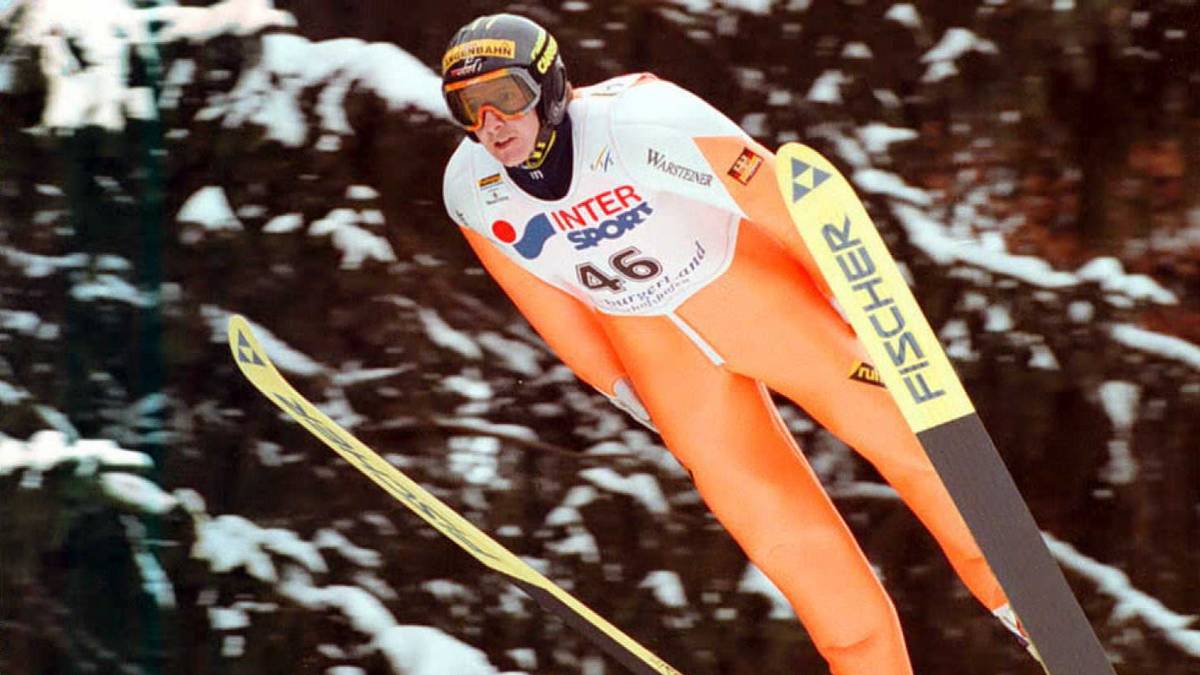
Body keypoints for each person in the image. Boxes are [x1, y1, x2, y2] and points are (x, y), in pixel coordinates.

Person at [440, 13, 1035, 674]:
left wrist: (861, 303)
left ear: (549, 89)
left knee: (905, 443)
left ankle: (1023, 604)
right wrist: (629, 395)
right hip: (664, 358)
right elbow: (553, 313)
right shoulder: (471, 190)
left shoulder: (642, 121)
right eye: (470, 106)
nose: (492, 122)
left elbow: (778, 203)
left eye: (507, 97)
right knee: (789, 544)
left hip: (752, 294)